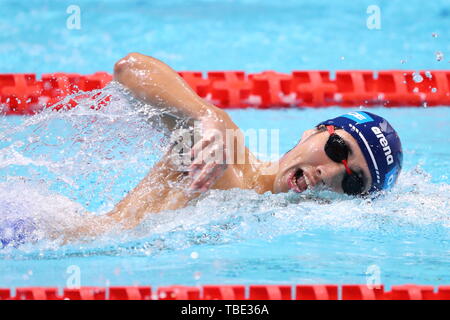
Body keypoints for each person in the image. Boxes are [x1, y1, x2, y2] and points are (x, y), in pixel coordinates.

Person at [61, 52, 403, 241]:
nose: (328, 173)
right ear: (312, 131)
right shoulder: (225, 150)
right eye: (337, 149)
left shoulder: (278, 225)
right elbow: (129, 68)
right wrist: (205, 115)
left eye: (354, 181)